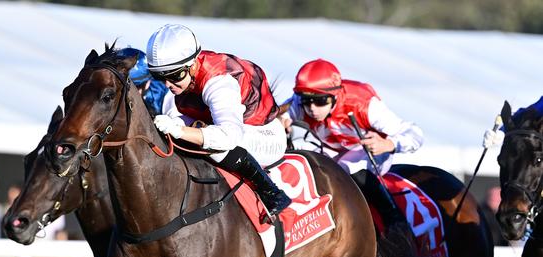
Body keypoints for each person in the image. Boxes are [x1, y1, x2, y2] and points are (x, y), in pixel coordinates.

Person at [146, 24, 290, 219]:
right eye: (159, 77)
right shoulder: (184, 78)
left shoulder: (219, 82)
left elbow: (229, 137)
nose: (167, 84)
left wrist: (179, 130)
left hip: (266, 136)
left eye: (174, 75)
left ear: (194, 64)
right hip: (238, 128)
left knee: (215, 145)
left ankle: (272, 193)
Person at [281, 59, 424, 231]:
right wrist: (280, 123)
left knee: (345, 170)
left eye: (320, 101)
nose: (312, 108)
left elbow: (415, 133)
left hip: (371, 149)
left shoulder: (363, 103)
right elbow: (276, 118)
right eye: (306, 100)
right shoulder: (299, 102)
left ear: (335, 95)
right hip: (331, 151)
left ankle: (395, 222)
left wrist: (389, 143)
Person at [117, 47, 169, 117]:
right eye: (124, 86)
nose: (130, 92)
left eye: (136, 87)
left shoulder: (163, 94)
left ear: (148, 82)